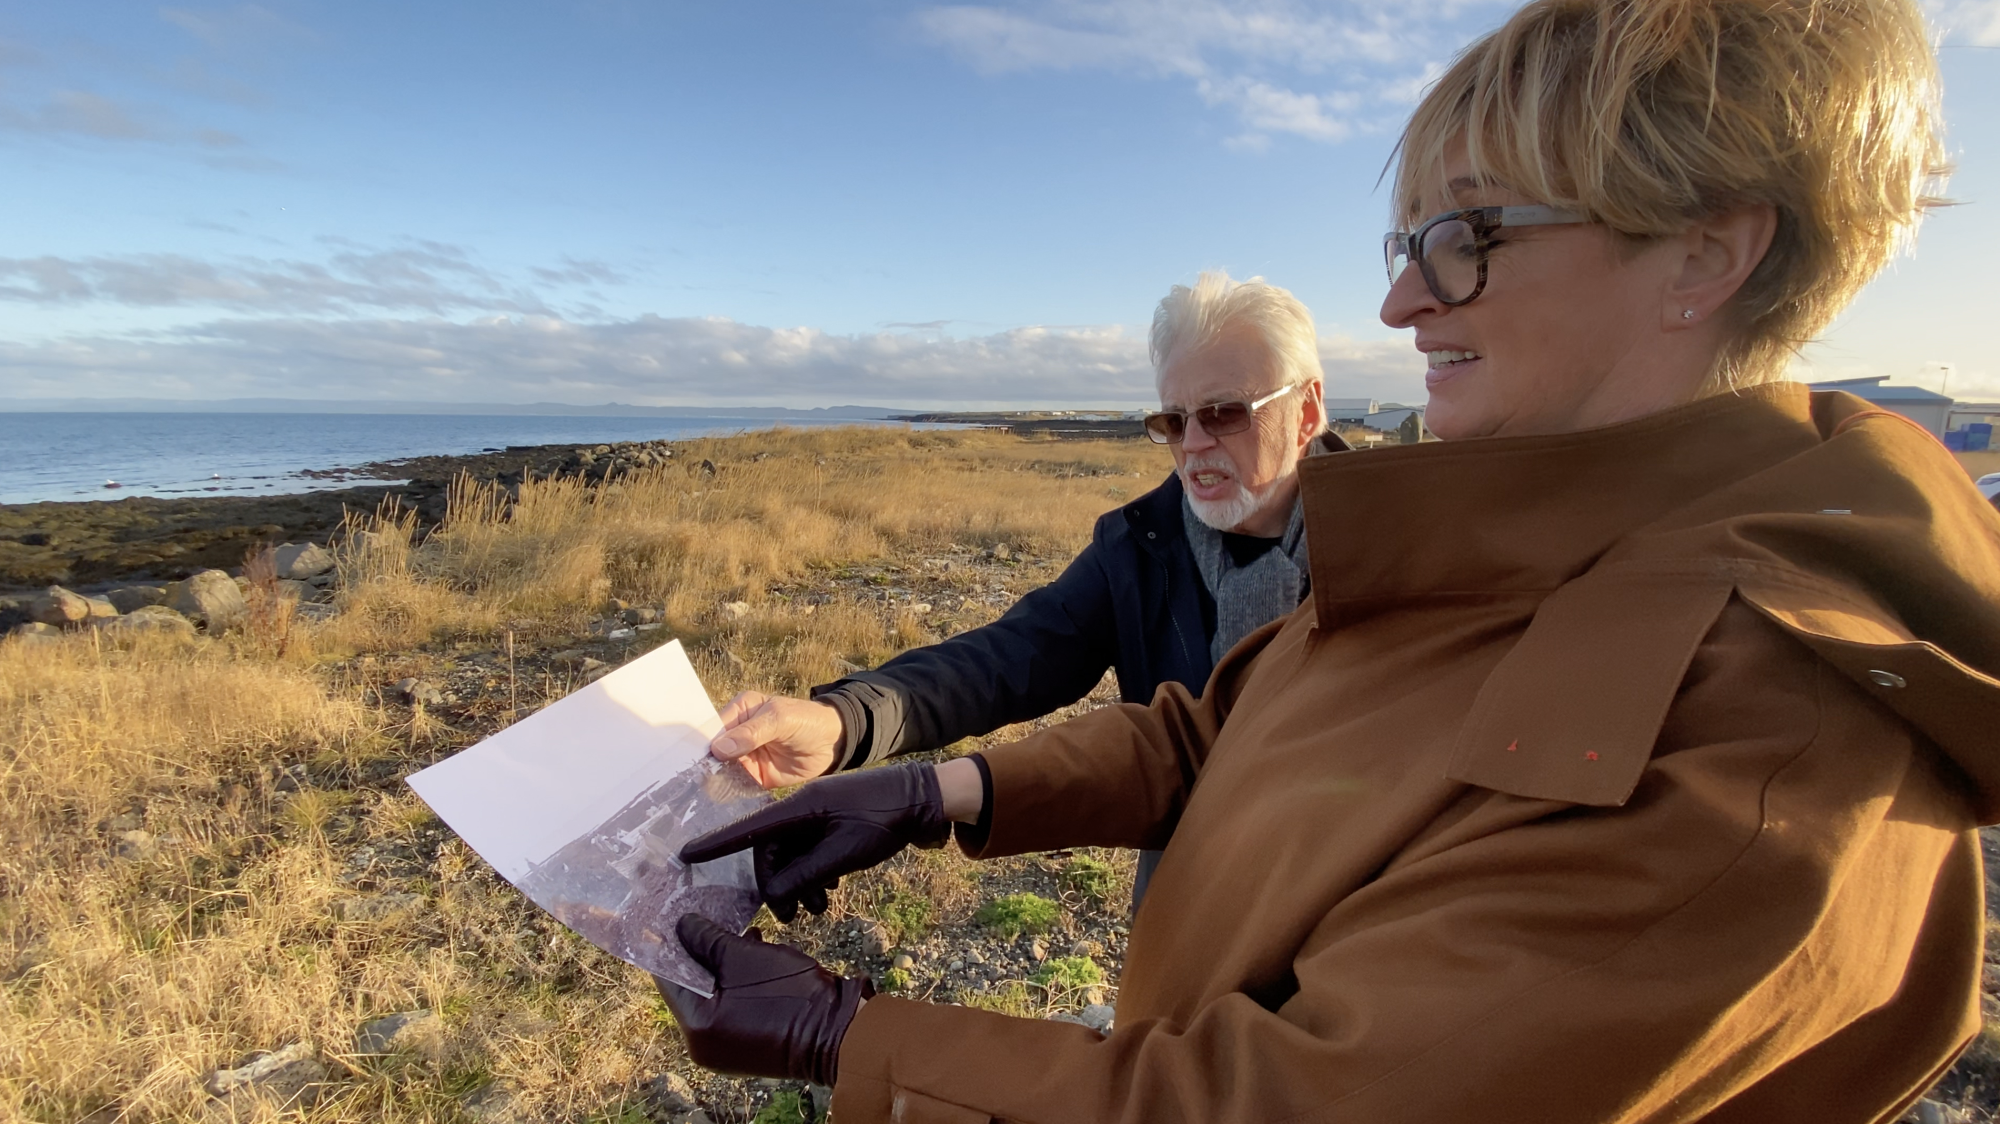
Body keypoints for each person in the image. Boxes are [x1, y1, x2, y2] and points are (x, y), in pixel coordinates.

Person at [658, 0, 2000, 1119]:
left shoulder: (1761, 739)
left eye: (1468, 239)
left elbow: (1289, 1104)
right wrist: (918, 786)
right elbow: (1206, 730)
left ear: (1705, 250)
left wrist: (849, 1041)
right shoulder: (1499, 546)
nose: (1403, 301)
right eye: (1407, 244)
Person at [702, 271, 1343, 907]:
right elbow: (1011, 656)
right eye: (1173, 421)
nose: (1195, 444)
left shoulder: (1397, 551)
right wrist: (845, 718)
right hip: (1189, 909)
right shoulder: (1142, 546)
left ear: (1306, 410)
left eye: (1224, 413)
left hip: (1349, 913)